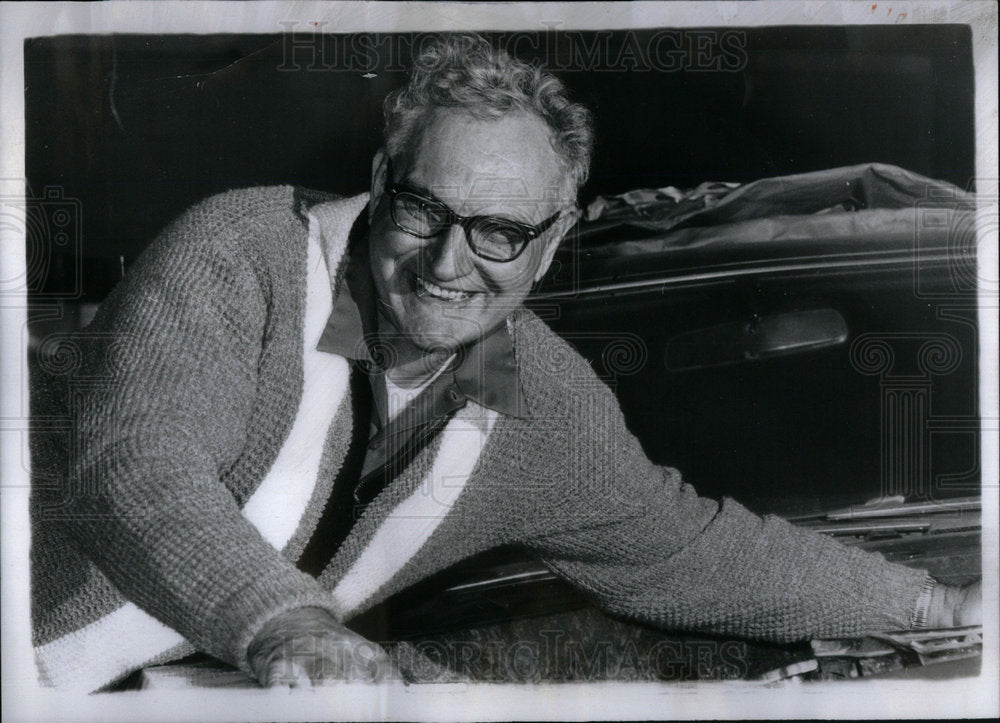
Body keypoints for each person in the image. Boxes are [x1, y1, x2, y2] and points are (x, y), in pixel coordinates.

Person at [30, 34, 980, 691]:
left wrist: (936, 599)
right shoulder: (243, 258)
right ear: (379, 182)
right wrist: (288, 623)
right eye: (423, 212)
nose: (449, 263)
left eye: (497, 231)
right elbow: (135, 470)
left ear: (555, 235)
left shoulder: (536, 403)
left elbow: (691, 552)